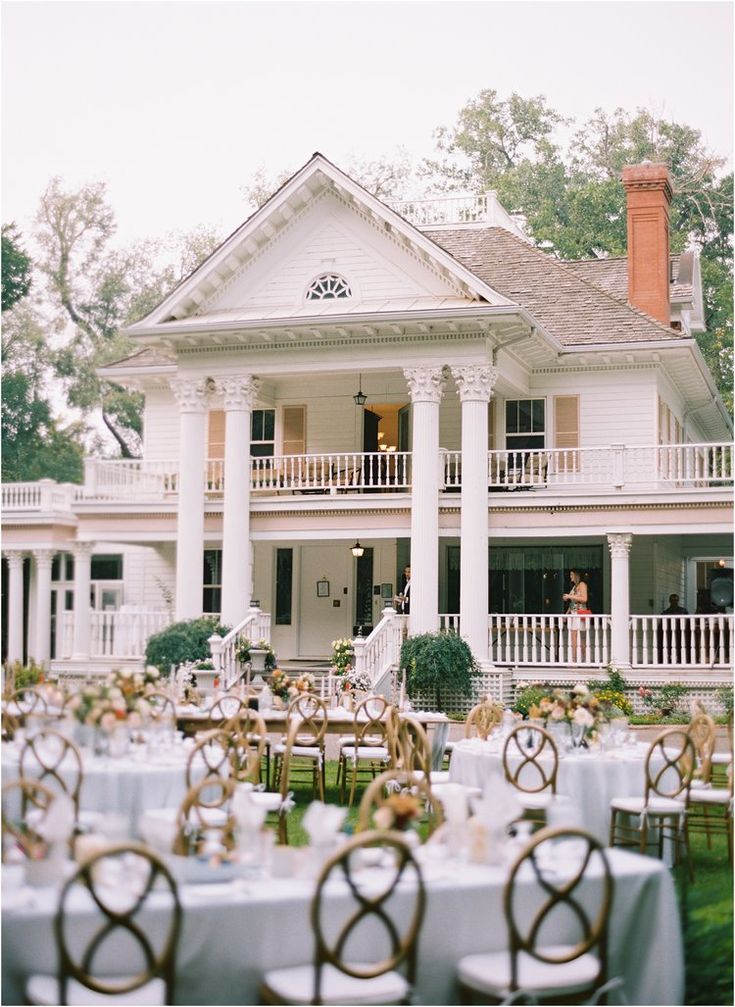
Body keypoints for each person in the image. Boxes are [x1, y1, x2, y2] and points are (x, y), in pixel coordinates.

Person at [562, 569, 589, 661]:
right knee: (576, 636)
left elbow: (584, 599)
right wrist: (566, 614)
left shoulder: (582, 584)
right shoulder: (574, 587)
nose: (570, 576)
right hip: (574, 612)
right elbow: (572, 602)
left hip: (580, 612)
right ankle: (585, 657)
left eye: (572, 575)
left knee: (575, 635)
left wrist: (569, 596)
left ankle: (574, 659)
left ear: (576, 575)